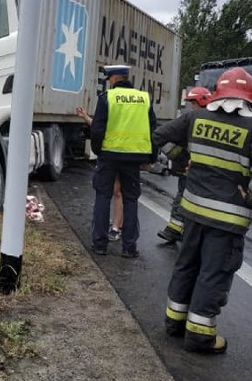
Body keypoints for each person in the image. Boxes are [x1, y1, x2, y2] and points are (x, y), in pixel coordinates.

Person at [153, 67, 252, 354]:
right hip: (228, 220)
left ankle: (174, 324)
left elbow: (161, 135)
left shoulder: (196, 117)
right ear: (250, 98)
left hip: (193, 211)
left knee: (186, 265)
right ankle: (199, 337)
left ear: (218, 93)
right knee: (213, 273)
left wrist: (184, 159)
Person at [88, 65, 156, 258]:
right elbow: (153, 130)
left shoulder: (107, 98)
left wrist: (98, 151)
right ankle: (129, 247)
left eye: (109, 78)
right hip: (134, 157)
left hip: (109, 155)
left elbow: (98, 129)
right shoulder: (144, 99)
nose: (109, 81)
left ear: (115, 78)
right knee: (131, 199)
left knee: (103, 196)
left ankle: (100, 244)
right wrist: (151, 158)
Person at [157, 87, 212, 244]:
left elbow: (161, 135)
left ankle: (175, 230)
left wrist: (179, 157)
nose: (191, 106)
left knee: (183, 198)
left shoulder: (191, 119)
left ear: (200, 102)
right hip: (202, 171)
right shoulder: (213, 120)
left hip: (190, 169)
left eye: (193, 103)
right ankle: (185, 232)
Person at [77, 106, 124, 240]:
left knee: (118, 191)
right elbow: (98, 127)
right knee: (115, 191)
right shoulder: (113, 116)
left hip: (121, 156)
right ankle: (116, 225)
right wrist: (85, 117)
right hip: (111, 156)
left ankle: (116, 227)